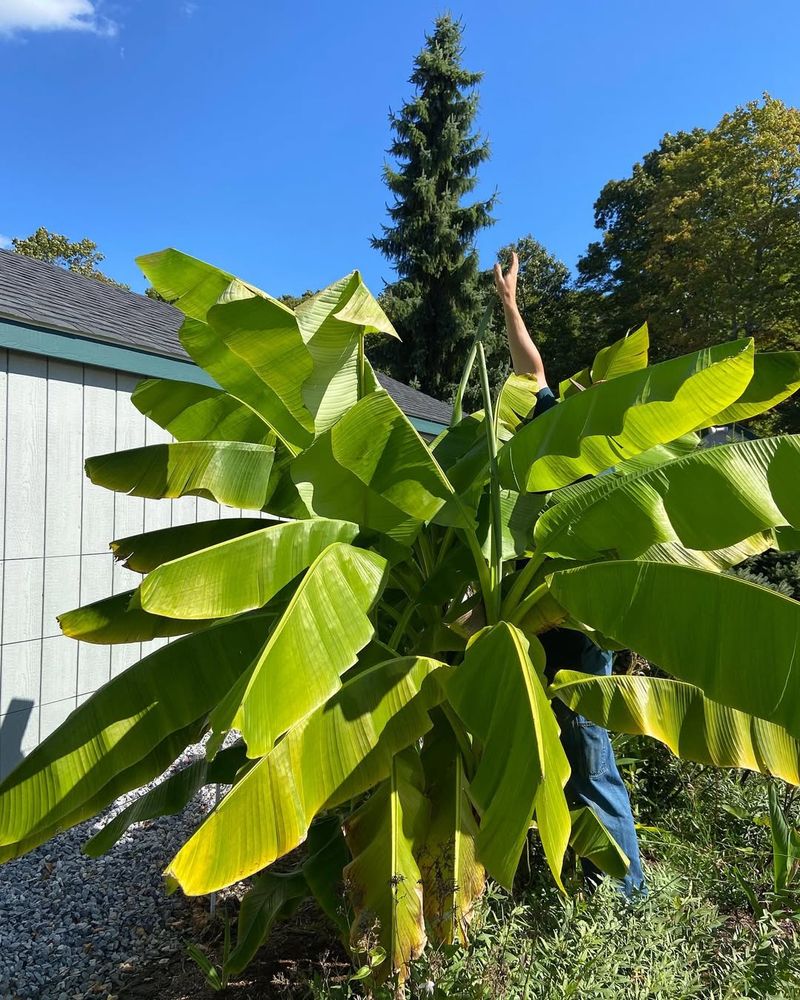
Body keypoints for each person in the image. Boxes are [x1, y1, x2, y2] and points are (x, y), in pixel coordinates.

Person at [493, 251, 646, 898]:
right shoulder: (541, 436)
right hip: (531, 632)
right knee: (554, 758)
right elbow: (531, 370)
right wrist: (509, 304)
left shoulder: (598, 469)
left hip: (577, 634)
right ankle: (581, 877)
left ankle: (625, 893)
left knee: (587, 758)